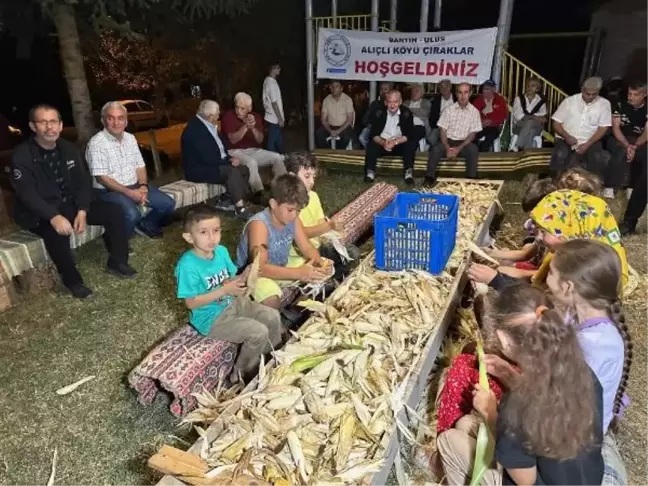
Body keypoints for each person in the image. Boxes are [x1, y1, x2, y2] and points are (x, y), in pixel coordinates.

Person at [437, 284, 604, 486]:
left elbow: (526, 481)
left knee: (448, 440)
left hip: (532, 479)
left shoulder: (516, 406)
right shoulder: (581, 371)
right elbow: (541, 403)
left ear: (504, 340)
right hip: (580, 478)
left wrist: (490, 414)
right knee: (465, 424)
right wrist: (507, 372)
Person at [10, 104, 136, 299]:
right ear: (33, 126)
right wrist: (53, 216)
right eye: (43, 122)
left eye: (53, 121)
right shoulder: (22, 156)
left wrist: (83, 210)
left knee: (114, 211)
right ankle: (73, 281)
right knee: (56, 233)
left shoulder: (68, 149)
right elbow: (27, 194)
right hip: (39, 212)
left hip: (70, 205)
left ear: (60, 125)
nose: (49, 127)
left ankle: (118, 261)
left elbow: (83, 183)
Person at [175, 205, 282, 384]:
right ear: (189, 237)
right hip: (211, 317)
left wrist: (247, 273)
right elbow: (191, 303)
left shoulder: (221, 251)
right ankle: (243, 375)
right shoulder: (187, 266)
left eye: (216, 230)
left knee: (272, 316)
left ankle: (273, 356)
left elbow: (233, 279)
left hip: (232, 302)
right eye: (203, 232)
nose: (212, 238)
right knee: (258, 332)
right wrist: (224, 290)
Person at [469, 189, 629, 291]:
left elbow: (542, 308)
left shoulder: (584, 277)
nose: (538, 237)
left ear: (570, 232)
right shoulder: (582, 253)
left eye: (544, 231)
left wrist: (496, 281)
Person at [236, 174, 330, 309]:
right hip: (253, 274)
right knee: (271, 298)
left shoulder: (293, 219)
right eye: (290, 210)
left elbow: (307, 247)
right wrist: (299, 273)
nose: (294, 215)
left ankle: (298, 310)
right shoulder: (259, 225)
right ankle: (275, 325)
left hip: (281, 264)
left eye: (298, 211)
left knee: (315, 270)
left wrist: (319, 262)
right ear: (273, 204)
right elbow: (260, 268)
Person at [86, 101, 176, 239]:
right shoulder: (96, 143)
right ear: (103, 121)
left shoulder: (130, 138)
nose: (116, 123)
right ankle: (118, 239)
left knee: (168, 204)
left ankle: (146, 225)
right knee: (131, 213)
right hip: (108, 190)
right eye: (111, 118)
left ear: (126, 121)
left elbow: (140, 166)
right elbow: (101, 178)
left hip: (134, 186)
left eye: (121, 118)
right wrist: (130, 193)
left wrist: (143, 186)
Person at [284, 151, 360, 280]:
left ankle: (335, 278)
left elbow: (320, 223)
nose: (312, 182)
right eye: (307, 176)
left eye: (313, 177)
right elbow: (302, 234)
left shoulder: (313, 196)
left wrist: (333, 235)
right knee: (343, 258)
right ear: (291, 176)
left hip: (318, 246)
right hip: (302, 253)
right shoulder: (287, 204)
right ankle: (330, 281)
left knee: (351, 252)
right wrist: (329, 226)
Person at [180, 100, 252, 220]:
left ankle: (224, 201)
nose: (219, 115)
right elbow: (208, 157)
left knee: (244, 169)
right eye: (218, 114)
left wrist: (230, 158)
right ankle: (240, 209)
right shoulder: (195, 130)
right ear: (210, 116)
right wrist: (228, 162)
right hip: (199, 169)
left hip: (213, 164)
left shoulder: (209, 125)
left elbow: (220, 150)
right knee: (232, 172)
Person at [220, 92, 287, 198]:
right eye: (237, 107)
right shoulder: (229, 116)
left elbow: (260, 140)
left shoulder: (255, 117)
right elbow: (233, 140)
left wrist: (253, 128)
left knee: (277, 157)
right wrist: (245, 127)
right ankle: (258, 193)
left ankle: (284, 188)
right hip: (235, 151)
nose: (239, 111)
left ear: (249, 108)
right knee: (251, 162)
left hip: (254, 150)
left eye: (243, 108)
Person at [550, 77, 612, 180]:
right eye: (588, 94)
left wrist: (587, 144)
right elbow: (556, 123)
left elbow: (603, 128)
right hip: (565, 137)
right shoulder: (569, 101)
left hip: (590, 139)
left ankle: (593, 185)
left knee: (597, 157)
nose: (591, 97)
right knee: (561, 154)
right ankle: (555, 182)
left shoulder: (604, 104)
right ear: (582, 89)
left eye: (594, 94)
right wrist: (567, 137)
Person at [426, 83, 482, 185]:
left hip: (464, 143)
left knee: (473, 149)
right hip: (448, 141)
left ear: (470, 93)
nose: (462, 96)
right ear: (456, 94)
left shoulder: (475, 112)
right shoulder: (448, 110)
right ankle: (430, 177)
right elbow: (442, 130)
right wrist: (447, 147)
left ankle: (471, 178)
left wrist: (459, 148)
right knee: (435, 148)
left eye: (465, 92)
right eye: (460, 92)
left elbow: (472, 134)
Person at [363, 90, 417, 185]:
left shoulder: (407, 114)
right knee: (371, 145)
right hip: (383, 142)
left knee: (410, 144)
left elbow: (409, 135)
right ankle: (370, 172)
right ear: (385, 102)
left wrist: (395, 142)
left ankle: (408, 173)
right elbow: (374, 134)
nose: (392, 105)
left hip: (399, 143)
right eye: (389, 102)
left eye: (395, 102)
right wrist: (384, 143)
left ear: (400, 102)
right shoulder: (378, 113)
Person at [605, 81, 648, 200]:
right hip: (618, 138)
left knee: (643, 155)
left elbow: (646, 133)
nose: (631, 97)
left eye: (635, 95)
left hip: (639, 139)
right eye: (630, 94)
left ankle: (632, 186)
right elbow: (616, 128)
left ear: (644, 95)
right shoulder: (619, 105)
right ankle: (609, 186)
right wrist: (627, 145)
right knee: (621, 150)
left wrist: (634, 146)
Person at [315, 80, 355, 150]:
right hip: (330, 126)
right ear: (330, 88)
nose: (334, 88)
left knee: (346, 136)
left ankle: (338, 154)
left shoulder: (347, 100)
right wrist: (330, 130)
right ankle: (328, 154)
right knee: (319, 133)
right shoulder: (326, 100)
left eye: (337, 86)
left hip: (344, 126)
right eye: (332, 86)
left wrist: (338, 131)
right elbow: (323, 120)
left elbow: (349, 119)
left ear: (341, 88)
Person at [511, 77, 547, 151]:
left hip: (537, 127)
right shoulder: (519, 99)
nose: (529, 88)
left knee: (531, 123)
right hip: (519, 126)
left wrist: (531, 117)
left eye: (533, 86)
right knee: (531, 130)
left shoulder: (541, 101)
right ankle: (527, 151)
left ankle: (517, 146)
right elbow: (518, 116)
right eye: (528, 86)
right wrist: (534, 117)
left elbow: (543, 118)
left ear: (537, 89)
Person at [472, 80, 509, 152]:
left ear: (494, 89)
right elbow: (473, 115)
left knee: (491, 135)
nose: (486, 91)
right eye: (484, 89)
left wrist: (491, 121)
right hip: (479, 126)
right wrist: (481, 121)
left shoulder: (500, 100)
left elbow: (503, 115)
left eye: (488, 89)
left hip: (494, 127)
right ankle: (473, 151)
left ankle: (483, 150)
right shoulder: (478, 100)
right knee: (472, 135)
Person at [358, 82, 394, 148]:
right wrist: (368, 123)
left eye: (385, 89)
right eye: (381, 89)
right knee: (362, 137)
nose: (383, 92)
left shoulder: (393, 104)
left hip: (387, 129)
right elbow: (366, 118)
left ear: (390, 91)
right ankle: (371, 150)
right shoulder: (375, 103)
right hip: (373, 127)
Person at [262, 63, 285, 154]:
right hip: (273, 117)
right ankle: (272, 159)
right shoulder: (271, 83)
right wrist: (280, 118)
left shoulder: (268, 81)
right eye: (278, 68)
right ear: (273, 69)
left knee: (278, 139)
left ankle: (282, 156)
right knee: (272, 141)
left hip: (271, 116)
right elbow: (274, 102)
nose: (280, 69)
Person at [428, 79, 456, 146]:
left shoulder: (457, 98)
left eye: (446, 86)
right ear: (439, 89)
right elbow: (432, 118)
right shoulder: (435, 100)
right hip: (440, 126)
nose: (444, 88)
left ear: (450, 86)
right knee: (431, 139)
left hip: (455, 126)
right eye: (442, 87)